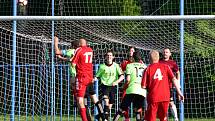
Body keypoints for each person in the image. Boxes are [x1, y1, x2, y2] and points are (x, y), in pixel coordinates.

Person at [55, 37, 104, 121]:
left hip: (79, 77)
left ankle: (86, 118)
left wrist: (56, 43)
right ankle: (103, 118)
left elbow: (59, 53)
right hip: (89, 77)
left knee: (81, 101)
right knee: (93, 98)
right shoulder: (90, 50)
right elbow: (73, 59)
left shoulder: (72, 51)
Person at [141, 50, 184, 121]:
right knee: (163, 118)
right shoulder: (166, 67)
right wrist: (179, 92)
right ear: (158, 58)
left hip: (154, 97)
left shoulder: (148, 69)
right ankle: (176, 118)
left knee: (151, 118)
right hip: (165, 96)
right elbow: (174, 79)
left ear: (149, 58)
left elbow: (143, 86)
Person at [113, 51, 147, 121]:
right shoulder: (145, 67)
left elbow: (128, 80)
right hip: (141, 91)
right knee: (137, 110)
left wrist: (123, 87)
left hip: (131, 90)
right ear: (140, 58)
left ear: (133, 58)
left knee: (121, 110)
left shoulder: (129, 65)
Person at [94, 49, 124, 120]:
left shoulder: (116, 66)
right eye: (107, 55)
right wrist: (93, 79)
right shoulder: (102, 66)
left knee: (109, 105)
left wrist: (117, 81)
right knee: (106, 101)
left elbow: (122, 76)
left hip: (113, 86)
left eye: (110, 55)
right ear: (105, 57)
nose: (109, 57)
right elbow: (97, 76)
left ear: (113, 57)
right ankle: (105, 119)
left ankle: (100, 116)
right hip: (105, 86)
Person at [120, 47, 145, 121]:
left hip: (135, 86)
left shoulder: (140, 63)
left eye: (132, 51)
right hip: (128, 86)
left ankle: (139, 118)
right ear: (128, 52)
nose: (131, 52)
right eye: (130, 51)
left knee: (136, 107)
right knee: (124, 105)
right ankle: (126, 118)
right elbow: (121, 73)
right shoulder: (125, 63)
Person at [159, 48, 180, 121]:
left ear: (170, 54)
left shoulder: (172, 63)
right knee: (162, 104)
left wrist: (178, 82)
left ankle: (176, 118)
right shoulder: (159, 62)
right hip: (160, 87)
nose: (165, 53)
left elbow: (177, 72)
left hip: (168, 86)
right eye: (164, 52)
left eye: (167, 52)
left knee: (171, 102)